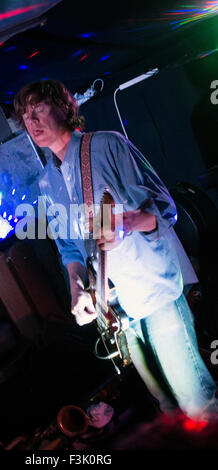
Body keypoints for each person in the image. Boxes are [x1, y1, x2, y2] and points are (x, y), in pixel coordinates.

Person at [13, 79, 217, 421]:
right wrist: (78, 291)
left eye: (38, 110)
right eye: (24, 115)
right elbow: (70, 250)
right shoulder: (48, 182)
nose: (31, 121)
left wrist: (126, 223)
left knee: (197, 403)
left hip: (153, 290)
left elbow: (165, 208)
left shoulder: (106, 145)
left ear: (64, 107)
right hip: (117, 311)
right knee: (168, 411)